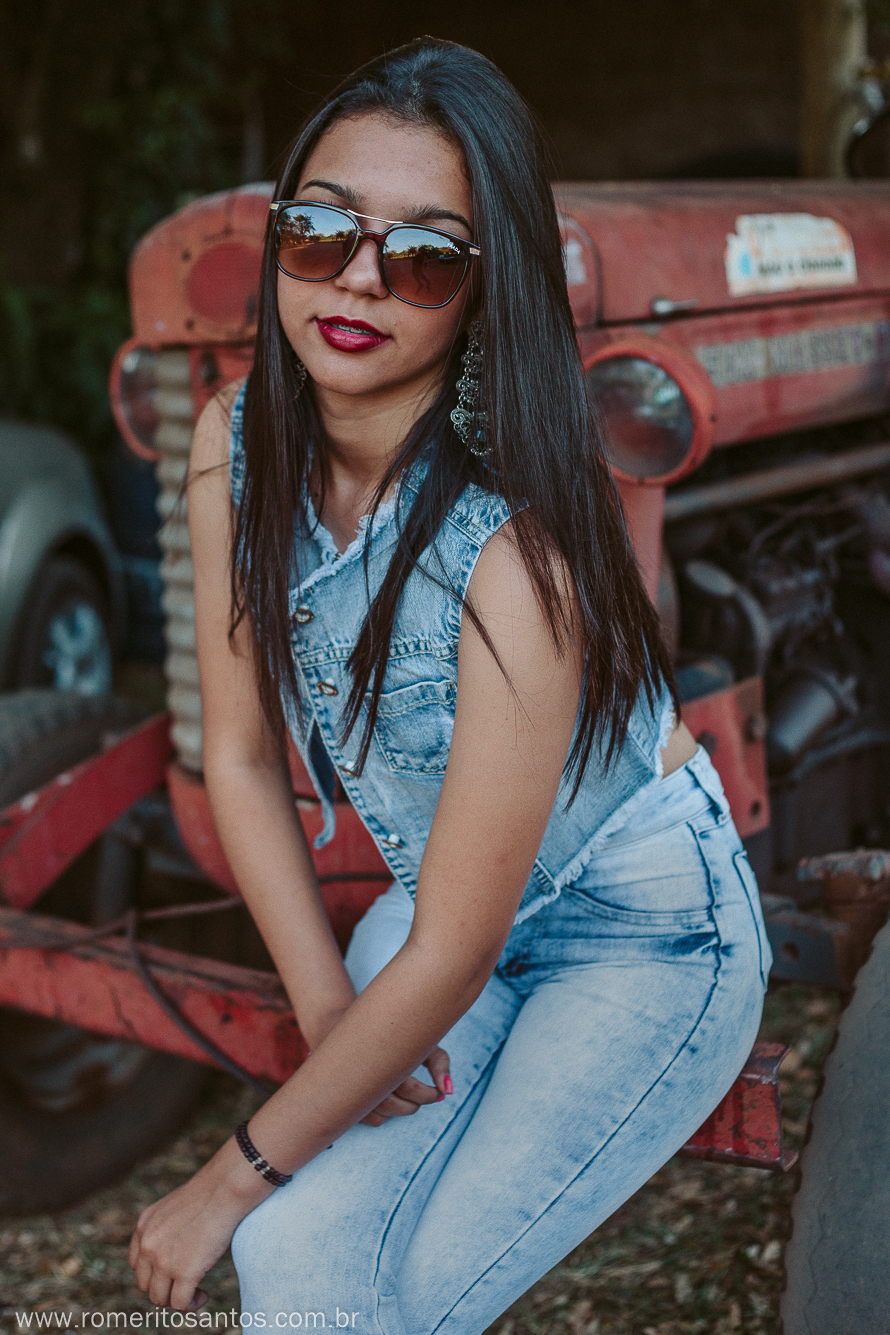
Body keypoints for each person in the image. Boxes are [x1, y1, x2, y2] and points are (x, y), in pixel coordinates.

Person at [129, 37, 772, 1333]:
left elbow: (455, 953)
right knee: (297, 1259)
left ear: (483, 293)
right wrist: (329, 1014)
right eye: (321, 232)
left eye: (423, 255)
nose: (359, 278)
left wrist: (227, 1177)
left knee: (382, 1296)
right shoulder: (231, 446)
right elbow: (240, 758)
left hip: (641, 936)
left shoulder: (516, 555)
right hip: (444, 911)